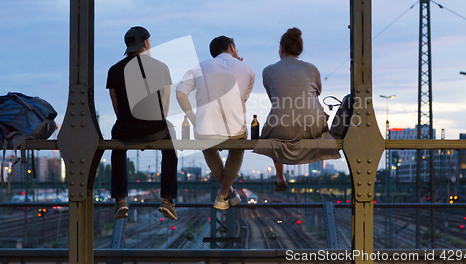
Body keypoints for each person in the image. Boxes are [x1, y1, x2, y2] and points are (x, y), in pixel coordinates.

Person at [254, 27, 339, 191]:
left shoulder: (268, 71)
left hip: (281, 128)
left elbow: (274, 97)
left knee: (274, 128)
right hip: (312, 126)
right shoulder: (312, 69)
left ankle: (280, 176)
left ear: (281, 49)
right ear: (300, 50)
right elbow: (317, 92)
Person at [107, 26, 178, 220]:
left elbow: (117, 108)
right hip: (155, 129)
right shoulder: (161, 67)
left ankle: (120, 200)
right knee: (170, 148)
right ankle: (167, 200)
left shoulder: (114, 70)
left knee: (117, 147)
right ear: (146, 43)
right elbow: (164, 109)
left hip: (125, 130)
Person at [176, 36, 255, 209]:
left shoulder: (199, 68)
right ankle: (225, 193)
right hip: (235, 130)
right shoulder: (248, 70)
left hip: (206, 129)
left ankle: (229, 193)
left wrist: (193, 118)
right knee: (238, 148)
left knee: (209, 149)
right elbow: (243, 99)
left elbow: (180, 93)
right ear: (232, 47)